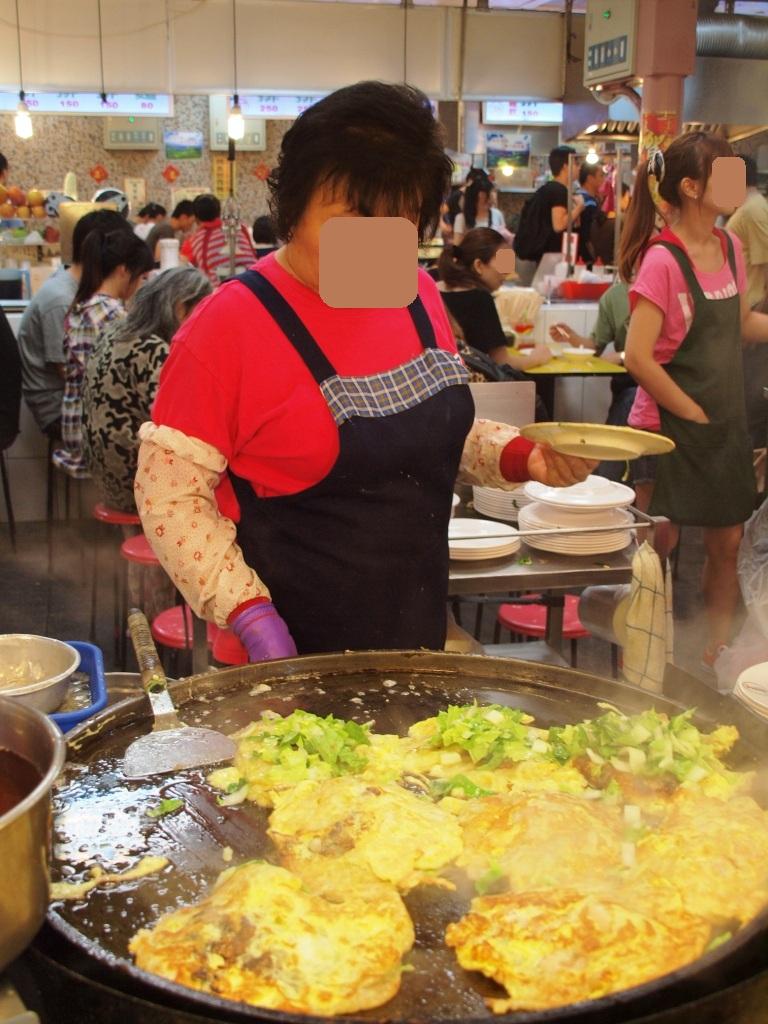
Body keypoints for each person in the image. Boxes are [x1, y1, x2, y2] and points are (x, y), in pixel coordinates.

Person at [136, 81, 595, 663]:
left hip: (414, 641)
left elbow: (425, 432)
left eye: (398, 218)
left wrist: (521, 456)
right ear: (294, 204)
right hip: (284, 659)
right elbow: (170, 497)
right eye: (354, 215)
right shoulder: (228, 326)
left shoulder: (417, 293)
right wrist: (250, 615)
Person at [620, 130, 768, 669]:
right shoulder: (662, 260)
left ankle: (715, 654)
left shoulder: (730, 246)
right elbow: (638, 357)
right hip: (666, 425)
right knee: (657, 548)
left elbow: (742, 322)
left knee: (727, 544)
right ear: (689, 186)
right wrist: (690, 411)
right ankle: (647, 658)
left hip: (724, 424)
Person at [82, 266, 212, 512]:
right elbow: (176, 427)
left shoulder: (114, 332)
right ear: (180, 308)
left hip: (103, 478)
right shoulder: (153, 349)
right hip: (137, 485)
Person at [17, 209, 134, 441]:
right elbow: (69, 373)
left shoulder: (81, 290)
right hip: (58, 409)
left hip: (73, 398)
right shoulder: (61, 299)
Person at [54, 230, 154, 478]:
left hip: (74, 424)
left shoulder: (81, 307)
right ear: (123, 271)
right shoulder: (112, 315)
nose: (141, 285)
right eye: (141, 277)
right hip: (97, 433)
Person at [548, 281, 635, 483]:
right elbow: (594, 346)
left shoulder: (670, 284)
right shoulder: (614, 296)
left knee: (631, 401)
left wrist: (624, 355)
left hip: (657, 381)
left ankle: (606, 481)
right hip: (628, 381)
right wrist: (571, 336)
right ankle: (607, 481)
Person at [437, 228, 551, 374]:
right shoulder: (480, 299)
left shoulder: (435, 289)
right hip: (473, 384)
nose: (507, 272)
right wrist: (537, 358)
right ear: (479, 265)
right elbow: (502, 361)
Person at [727, 155, 768, 450]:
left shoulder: (754, 210)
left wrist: (756, 316)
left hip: (752, 313)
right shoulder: (747, 209)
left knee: (750, 400)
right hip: (745, 313)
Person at [513, 145, 584, 285]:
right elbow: (559, 225)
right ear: (566, 166)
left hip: (546, 256)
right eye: (576, 163)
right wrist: (579, 208)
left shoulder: (549, 189)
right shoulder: (558, 191)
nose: (579, 168)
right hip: (551, 257)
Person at [181, 193, 255, 285]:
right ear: (219, 212)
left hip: (219, 289)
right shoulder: (240, 228)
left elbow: (184, 266)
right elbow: (253, 254)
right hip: (253, 284)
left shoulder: (196, 240)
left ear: (196, 218)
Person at [452, 178, 506, 245]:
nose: (489, 203)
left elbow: (503, 240)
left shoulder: (497, 214)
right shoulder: (461, 218)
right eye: (485, 200)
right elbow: (457, 245)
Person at [575, 161, 606, 266]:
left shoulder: (579, 197)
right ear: (590, 178)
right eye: (601, 176)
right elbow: (588, 234)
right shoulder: (588, 203)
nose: (603, 179)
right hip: (585, 256)